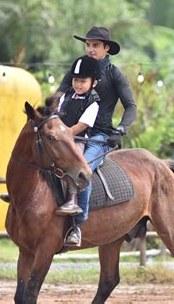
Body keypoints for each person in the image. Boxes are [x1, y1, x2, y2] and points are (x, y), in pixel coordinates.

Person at [54, 26, 137, 246]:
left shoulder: (115, 74)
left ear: (106, 48)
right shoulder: (79, 69)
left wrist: (121, 130)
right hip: (70, 132)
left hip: (98, 136)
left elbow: (131, 107)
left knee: (83, 169)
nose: (90, 49)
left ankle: (76, 227)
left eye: (95, 45)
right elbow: (59, 95)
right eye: (88, 45)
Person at [53, 55, 101, 217]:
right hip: (58, 138)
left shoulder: (93, 103)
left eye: (83, 81)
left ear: (93, 83)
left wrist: (64, 135)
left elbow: (82, 126)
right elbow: (57, 116)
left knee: (74, 163)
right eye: (75, 80)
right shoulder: (66, 95)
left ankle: (72, 199)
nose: (78, 85)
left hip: (76, 140)